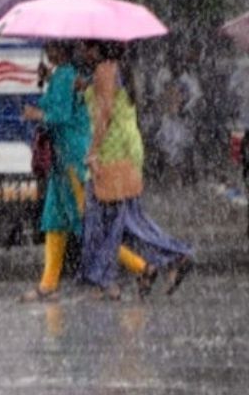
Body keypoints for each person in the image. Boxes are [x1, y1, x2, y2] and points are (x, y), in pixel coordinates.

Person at [78, 39, 194, 300]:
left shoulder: (105, 70)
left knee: (110, 222)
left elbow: (105, 113)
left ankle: (109, 279)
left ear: (98, 49)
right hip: (125, 149)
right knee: (123, 220)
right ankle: (167, 260)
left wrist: (94, 152)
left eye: (86, 46)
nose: (83, 51)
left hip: (113, 152)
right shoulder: (118, 69)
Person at [19, 40, 90, 301]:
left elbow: (60, 115)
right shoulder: (63, 75)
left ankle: (139, 267)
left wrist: (34, 114)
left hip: (72, 158)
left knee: (87, 222)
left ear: (62, 50)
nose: (48, 52)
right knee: (54, 221)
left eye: (52, 47)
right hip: (61, 161)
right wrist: (48, 79)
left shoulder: (65, 76)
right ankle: (48, 284)